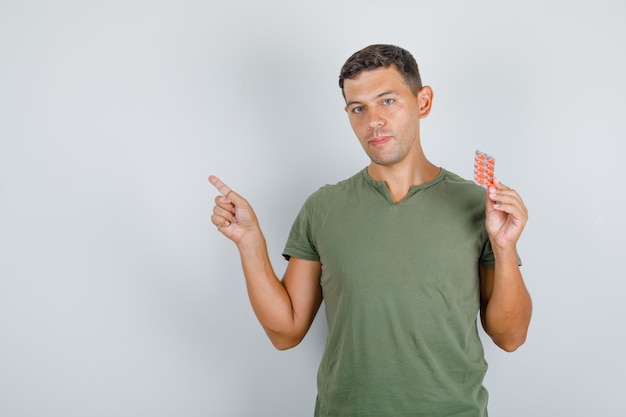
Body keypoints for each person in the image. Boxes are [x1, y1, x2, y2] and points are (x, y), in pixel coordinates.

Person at [209, 44, 532, 417]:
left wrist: (504, 248)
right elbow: (286, 332)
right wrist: (250, 244)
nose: (373, 121)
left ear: (422, 102)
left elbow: (511, 337)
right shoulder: (324, 206)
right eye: (358, 108)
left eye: (388, 101)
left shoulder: (478, 205)